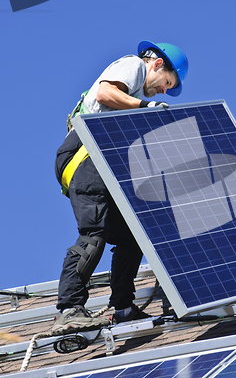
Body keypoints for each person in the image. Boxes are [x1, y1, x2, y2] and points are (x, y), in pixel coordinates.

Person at [52, 41, 188, 335]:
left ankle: (124, 308)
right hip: (85, 156)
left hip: (102, 164)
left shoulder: (137, 93)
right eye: (167, 83)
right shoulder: (134, 66)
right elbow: (104, 93)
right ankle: (69, 310)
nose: (164, 90)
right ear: (157, 64)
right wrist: (145, 106)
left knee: (132, 236)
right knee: (94, 231)